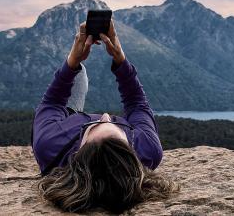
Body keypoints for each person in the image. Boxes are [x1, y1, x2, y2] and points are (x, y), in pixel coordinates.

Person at [31, 20, 179, 213]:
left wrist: (72, 61)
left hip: (66, 119)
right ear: (131, 154)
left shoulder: (51, 144)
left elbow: (52, 103)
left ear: (78, 153)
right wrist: (120, 59)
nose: (106, 115)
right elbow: (136, 104)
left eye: (93, 125)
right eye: (119, 128)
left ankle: (77, 77)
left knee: (79, 73)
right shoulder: (148, 149)